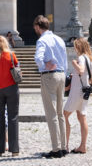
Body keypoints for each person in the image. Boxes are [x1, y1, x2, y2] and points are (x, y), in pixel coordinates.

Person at [33, 14, 68, 159]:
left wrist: (43, 65)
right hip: (61, 75)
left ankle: (55, 149)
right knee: (60, 113)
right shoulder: (59, 39)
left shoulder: (42, 40)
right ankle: (64, 146)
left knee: (51, 113)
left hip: (49, 76)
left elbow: (38, 58)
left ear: (37, 26)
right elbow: (65, 59)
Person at [0, 35, 20, 157]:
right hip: (11, 87)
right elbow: (16, 68)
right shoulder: (11, 55)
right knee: (13, 117)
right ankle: (14, 149)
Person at [64, 38, 92, 155]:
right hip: (85, 92)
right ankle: (83, 146)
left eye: (75, 46)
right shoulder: (89, 59)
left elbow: (81, 70)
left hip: (77, 92)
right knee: (82, 117)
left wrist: (74, 63)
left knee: (64, 115)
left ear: (79, 47)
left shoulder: (81, 58)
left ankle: (64, 145)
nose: (74, 48)